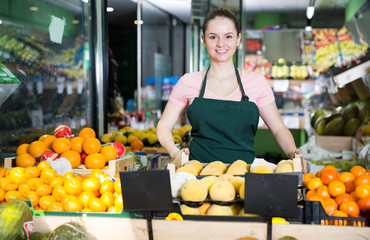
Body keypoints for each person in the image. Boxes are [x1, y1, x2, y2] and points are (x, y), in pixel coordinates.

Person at [157, 8, 306, 171]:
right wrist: (174, 152)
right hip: (196, 175)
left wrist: (293, 153)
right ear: (203, 40)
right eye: (213, 37)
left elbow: (278, 129)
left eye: (228, 36)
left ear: (238, 39)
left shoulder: (256, 82)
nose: (221, 44)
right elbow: (163, 126)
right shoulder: (188, 82)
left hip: (244, 176)